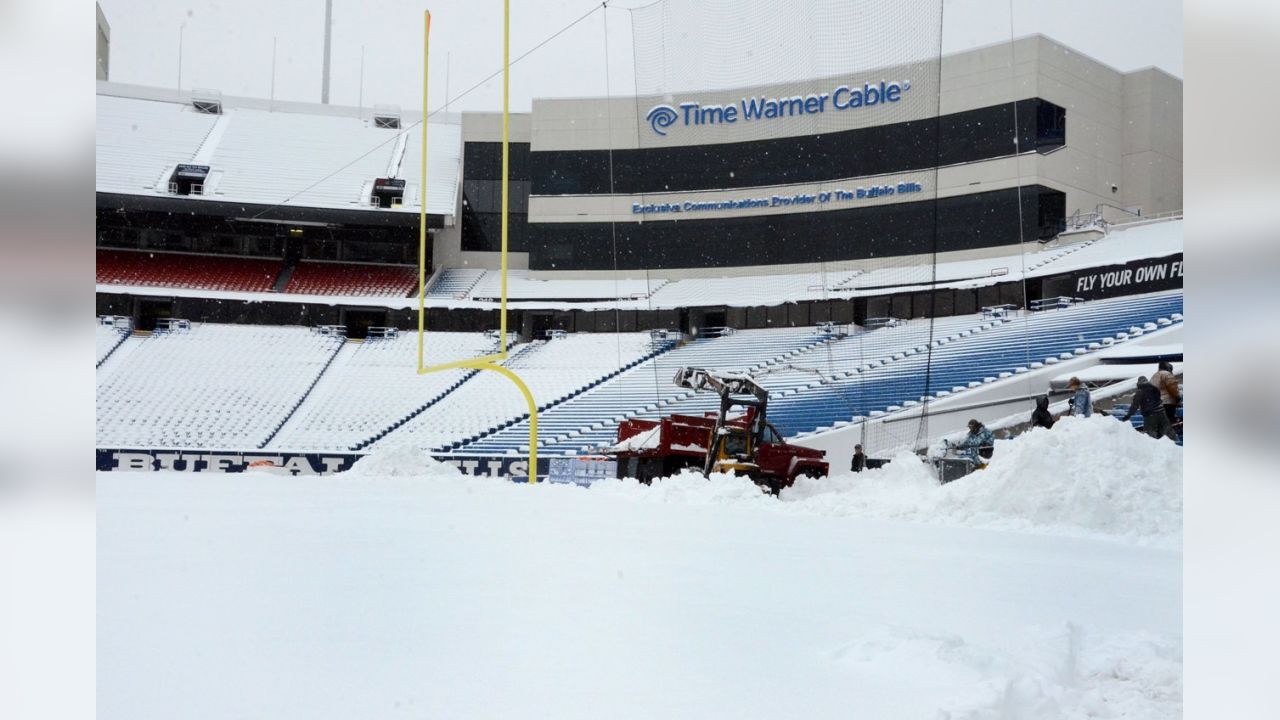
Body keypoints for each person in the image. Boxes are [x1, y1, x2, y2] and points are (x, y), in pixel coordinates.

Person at [1122, 376, 1179, 440]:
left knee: (1150, 435)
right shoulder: (1155, 389)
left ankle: (1153, 448)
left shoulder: (1140, 392)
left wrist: (1128, 415)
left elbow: (1135, 405)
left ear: (1139, 383)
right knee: (1168, 431)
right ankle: (1175, 446)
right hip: (1162, 413)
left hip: (1150, 415)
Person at [1151, 360, 1181, 432]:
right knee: (1169, 416)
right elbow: (1173, 388)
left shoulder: (1154, 376)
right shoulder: (1168, 375)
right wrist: (1177, 398)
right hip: (1167, 402)